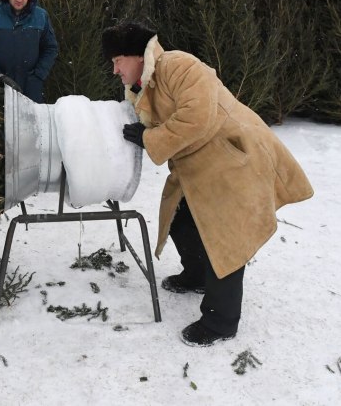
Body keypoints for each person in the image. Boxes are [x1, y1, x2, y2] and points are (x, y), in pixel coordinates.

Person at [101, 20, 313, 347]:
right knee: (179, 220)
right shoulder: (141, 88)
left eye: (117, 62)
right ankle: (197, 274)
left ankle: (220, 321)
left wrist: (150, 138)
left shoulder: (179, 65)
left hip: (235, 158)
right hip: (200, 167)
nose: (115, 70)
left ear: (136, 56)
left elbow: (198, 117)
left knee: (225, 240)